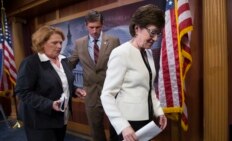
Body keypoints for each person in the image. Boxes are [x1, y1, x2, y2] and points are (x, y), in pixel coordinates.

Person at [100, 4, 167, 141]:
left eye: (158, 33)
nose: (155, 38)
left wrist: (159, 112)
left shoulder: (147, 53)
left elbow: (149, 87)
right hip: (127, 123)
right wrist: (123, 126)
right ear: (137, 28)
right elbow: (106, 95)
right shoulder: (121, 53)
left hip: (147, 120)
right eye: (152, 32)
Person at [15, 26, 82, 141]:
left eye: (61, 42)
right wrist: (49, 104)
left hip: (61, 117)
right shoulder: (30, 63)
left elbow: (63, 81)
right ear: (41, 43)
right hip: (40, 120)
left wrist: (75, 89)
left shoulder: (63, 59)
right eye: (54, 43)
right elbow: (22, 92)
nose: (59, 46)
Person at [68, 10, 120, 141]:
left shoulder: (113, 41)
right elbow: (70, 64)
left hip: (113, 91)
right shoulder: (79, 43)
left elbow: (121, 65)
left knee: (116, 125)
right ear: (86, 26)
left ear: (102, 25)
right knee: (95, 128)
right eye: (91, 27)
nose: (94, 31)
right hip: (91, 93)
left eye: (97, 27)